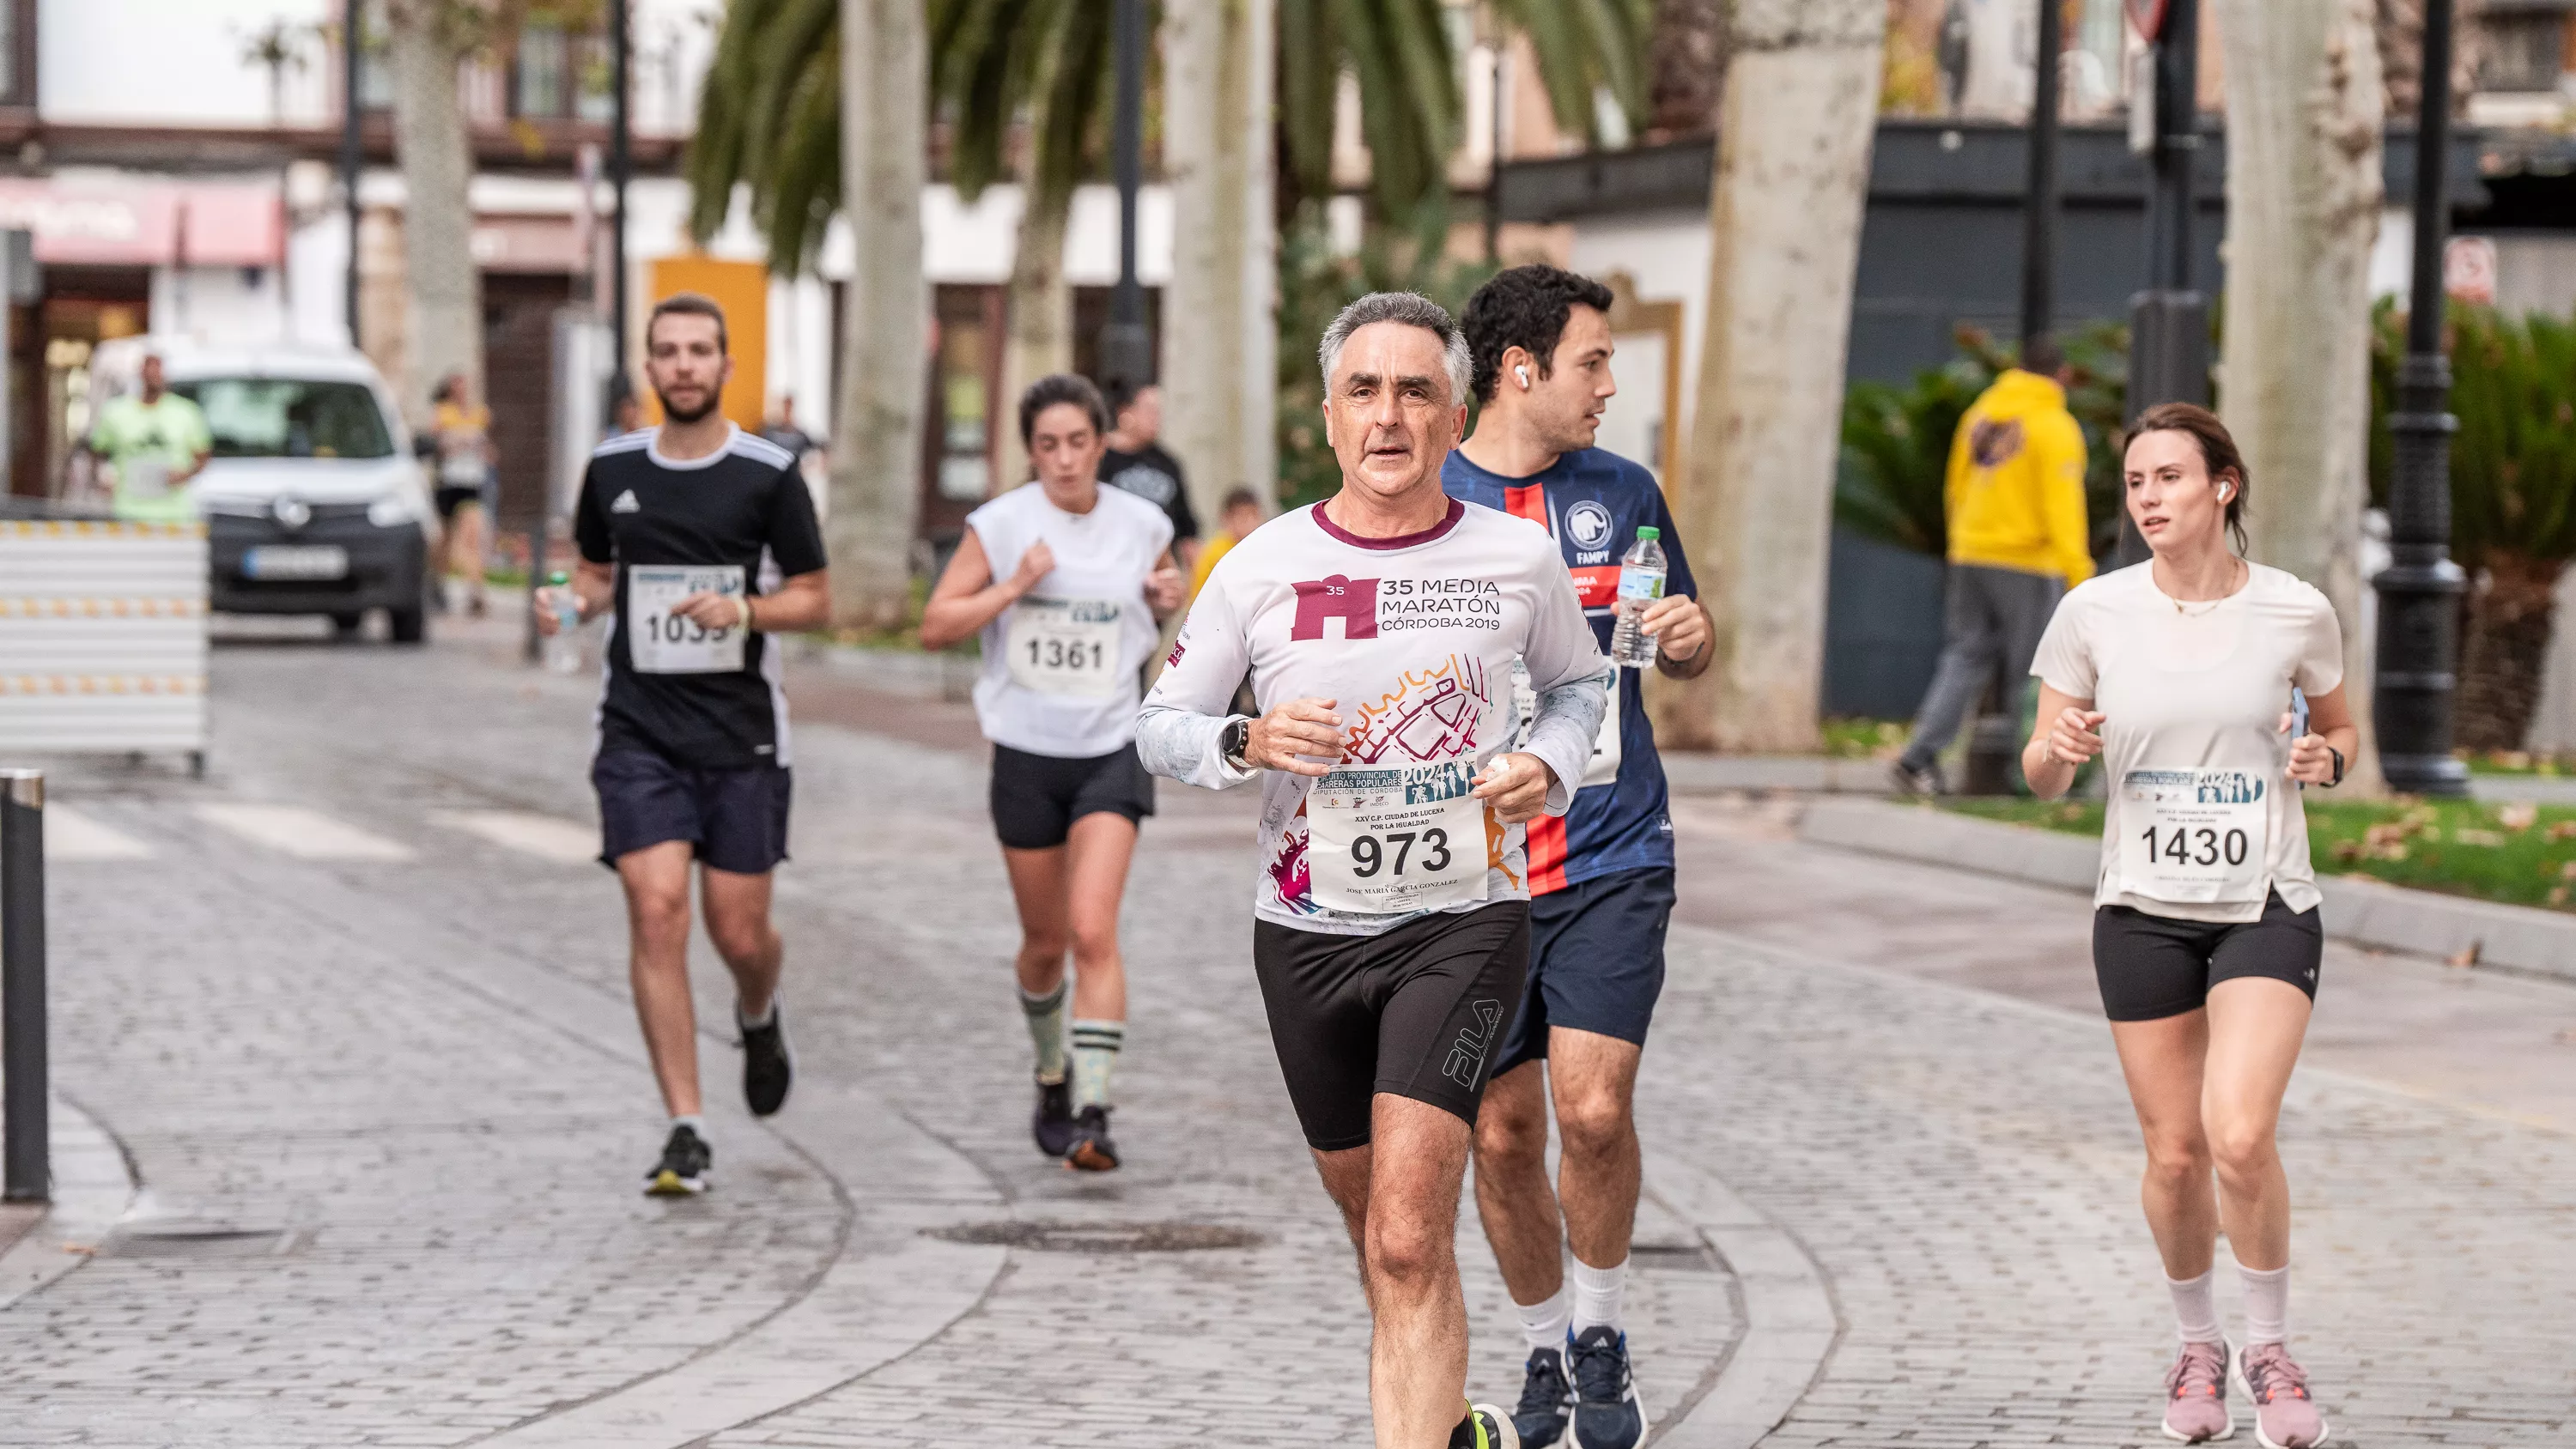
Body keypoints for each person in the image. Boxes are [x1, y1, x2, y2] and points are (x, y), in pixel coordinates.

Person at [1139, 291, 1610, 1449]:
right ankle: (1448, 1425)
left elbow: (1582, 688)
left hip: (1463, 922)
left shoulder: (1515, 557)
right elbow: (1161, 724)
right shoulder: (1262, 564)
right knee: (1378, 1237)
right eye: (1364, 390)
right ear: (1329, 416)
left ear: (1455, 414)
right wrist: (1245, 740)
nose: (1388, 415)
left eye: (1414, 391)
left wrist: (1542, 767)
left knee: (1408, 1234)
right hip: (1305, 932)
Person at [2021, 403, 2349, 1449]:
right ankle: (2197, 1344)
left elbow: (2343, 730)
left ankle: (2270, 1347)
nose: (2149, 497)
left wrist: (2327, 761)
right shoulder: (2094, 612)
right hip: (2142, 909)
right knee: (2174, 1155)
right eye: (2134, 482)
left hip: (2265, 901)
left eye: (2169, 476)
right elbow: (2039, 770)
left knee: (2238, 1133)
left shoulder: (2296, 611)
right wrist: (2059, 745)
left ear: (2225, 485)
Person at [1442, 264, 1712, 1449]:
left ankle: (1603, 1338)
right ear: (1520, 370)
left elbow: (1678, 649)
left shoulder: (1624, 490)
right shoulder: (1426, 495)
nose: (1610, 383)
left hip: (1612, 844)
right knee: (1502, 1134)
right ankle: (1545, 1344)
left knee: (1592, 1111)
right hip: (1471, 866)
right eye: (1593, 362)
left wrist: (1695, 640)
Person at [535, 293, 829, 1197]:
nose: (686, 365)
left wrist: (744, 608)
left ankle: (757, 1006)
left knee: (737, 931)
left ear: (725, 366)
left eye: (702, 350)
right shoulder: (613, 467)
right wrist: (568, 600)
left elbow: (816, 596)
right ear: (651, 367)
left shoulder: (766, 473)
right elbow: (591, 573)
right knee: (654, 905)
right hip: (639, 729)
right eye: (669, 351)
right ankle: (686, 1126)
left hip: (740, 735)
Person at [918, 373, 1185, 1172]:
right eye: (1047, 446)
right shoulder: (1001, 525)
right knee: (1043, 945)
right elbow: (935, 625)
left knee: (1091, 929)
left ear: (1101, 444)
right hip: (1027, 753)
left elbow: (1159, 603)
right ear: (1028, 450)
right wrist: (1014, 585)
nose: (1064, 461)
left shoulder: (1142, 522)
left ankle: (1095, 1111)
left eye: (1078, 443)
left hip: (1110, 746)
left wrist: (1164, 592)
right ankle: (1051, 1074)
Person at [1892, 336, 2094, 795]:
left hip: (1971, 553)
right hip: (2026, 562)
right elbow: (2063, 505)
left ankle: (1918, 757)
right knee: (2036, 670)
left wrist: (1961, 542)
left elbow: (1956, 484)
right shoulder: (2053, 425)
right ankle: (2029, 776)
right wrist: (2079, 573)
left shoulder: (1981, 414)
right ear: (2061, 376)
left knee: (1964, 655)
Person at [85, 352, 213, 525]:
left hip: (175, 514)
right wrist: (102, 479)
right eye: (149, 370)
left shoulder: (186, 412)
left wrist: (185, 474)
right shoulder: (116, 412)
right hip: (128, 511)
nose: (153, 376)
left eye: (158, 370)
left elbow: (202, 456)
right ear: (140, 373)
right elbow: (97, 451)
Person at [1100, 381, 1200, 566]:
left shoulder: (1169, 463)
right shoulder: (1098, 459)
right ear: (1125, 412)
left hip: (1159, 568)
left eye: (1159, 412)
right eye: (1150, 410)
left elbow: (1187, 533)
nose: (1157, 418)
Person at [430, 373, 495, 617]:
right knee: (445, 540)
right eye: (457, 387)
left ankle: (476, 591)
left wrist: (487, 453)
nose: (461, 391)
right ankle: (438, 584)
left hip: (472, 482)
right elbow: (437, 443)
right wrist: (455, 443)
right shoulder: (442, 412)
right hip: (449, 481)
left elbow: (487, 446)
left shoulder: (479, 413)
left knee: (472, 536)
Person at [1188, 486, 1265, 605]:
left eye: (1254, 515)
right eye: (1243, 517)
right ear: (1226, 519)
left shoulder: (1262, 547)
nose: (1250, 523)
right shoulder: (1215, 553)